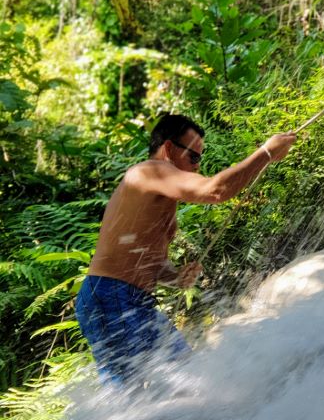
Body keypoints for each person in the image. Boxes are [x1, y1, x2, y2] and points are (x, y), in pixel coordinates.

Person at [75, 113, 296, 383]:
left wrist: (175, 277)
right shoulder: (149, 171)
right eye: (193, 157)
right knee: (135, 402)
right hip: (110, 295)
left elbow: (150, 262)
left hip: (132, 300)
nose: (196, 167)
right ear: (168, 148)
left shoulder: (158, 192)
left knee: (186, 381)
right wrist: (265, 153)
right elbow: (215, 190)